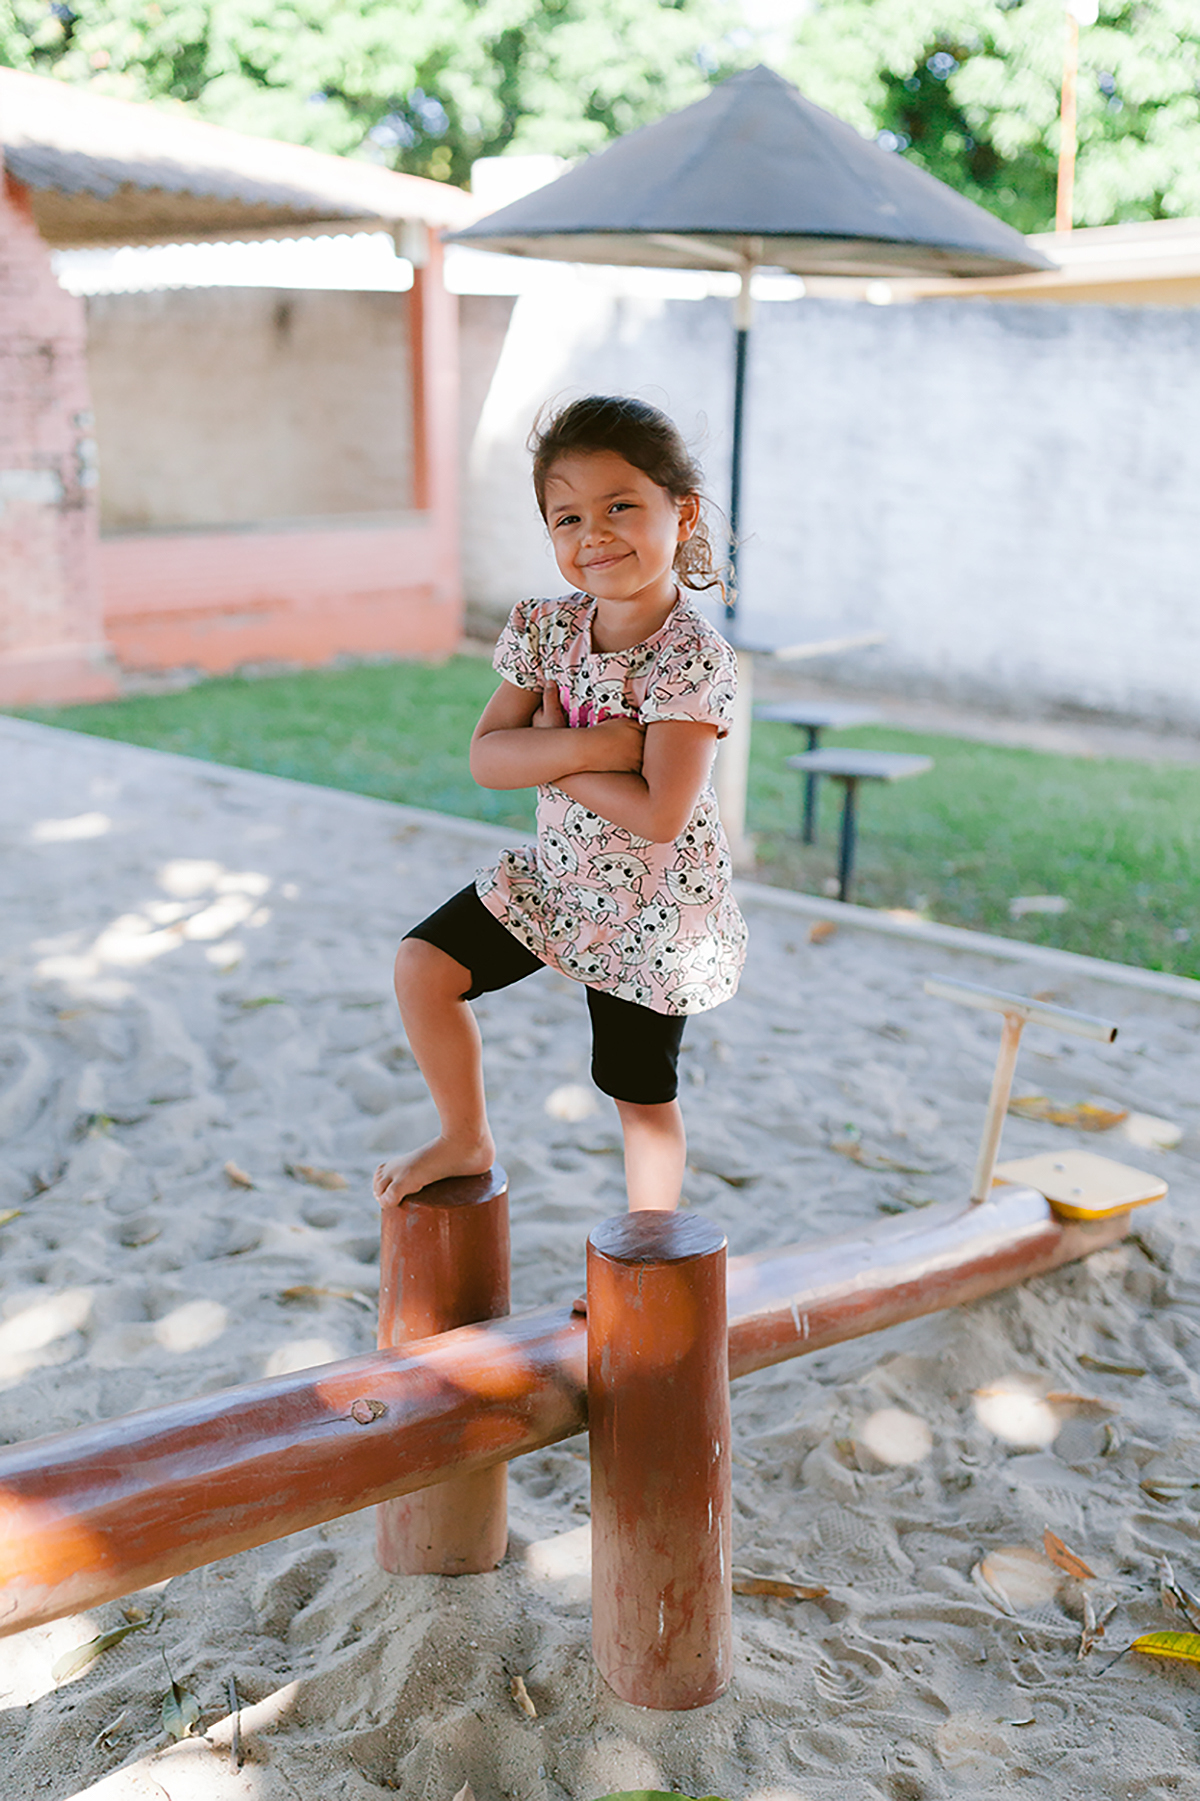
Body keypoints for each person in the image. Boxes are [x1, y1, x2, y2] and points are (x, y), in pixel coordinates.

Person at [374, 394, 747, 1215]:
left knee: (636, 1092)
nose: (594, 535)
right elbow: (487, 758)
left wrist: (555, 756)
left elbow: (658, 814)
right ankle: (464, 1135)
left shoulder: (690, 659)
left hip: (652, 914)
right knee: (424, 966)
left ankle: (650, 1242)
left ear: (682, 513)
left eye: (621, 507)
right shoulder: (546, 630)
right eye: (568, 518)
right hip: (557, 881)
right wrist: (594, 748)